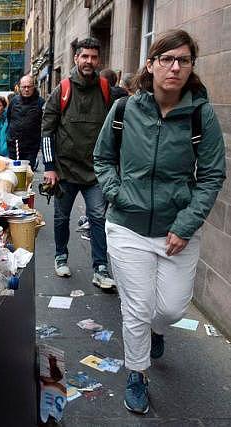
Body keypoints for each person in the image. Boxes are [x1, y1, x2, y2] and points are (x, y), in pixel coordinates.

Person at [94, 29, 226, 415]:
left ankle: (156, 331)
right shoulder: (124, 110)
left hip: (176, 231)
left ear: (190, 67)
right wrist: (117, 194)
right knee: (136, 306)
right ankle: (137, 372)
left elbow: (212, 175)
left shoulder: (201, 115)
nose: (174, 67)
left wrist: (186, 225)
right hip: (126, 225)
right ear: (150, 65)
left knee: (169, 309)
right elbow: (102, 158)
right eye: (166, 59)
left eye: (183, 60)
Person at [41, 37, 115, 290]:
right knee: (61, 217)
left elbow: (115, 129)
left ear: (98, 60)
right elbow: (47, 131)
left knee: (98, 217)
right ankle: (61, 256)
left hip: (96, 171)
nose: (89, 61)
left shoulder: (106, 90)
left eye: (94, 57)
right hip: (64, 170)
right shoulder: (61, 90)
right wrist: (49, 167)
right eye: (85, 56)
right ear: (76, 58)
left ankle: (101, 268)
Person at [7, 74, 45, 166]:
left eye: (29, 87)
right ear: (20, 88)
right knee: (14, 174)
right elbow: (9, 118)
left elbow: (44, 123)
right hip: (14, 146)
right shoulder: (14, 101)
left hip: (31, 147)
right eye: (24, 87)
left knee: (28, 174)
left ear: (33, 87)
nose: (26, 89)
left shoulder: (40, 102)